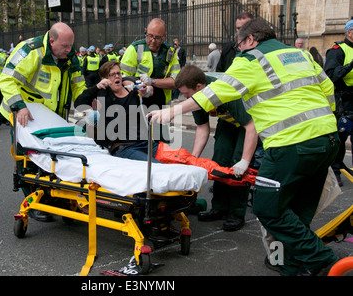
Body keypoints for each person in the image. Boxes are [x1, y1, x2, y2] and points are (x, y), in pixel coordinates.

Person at [148, 18, 340, 276]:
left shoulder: (252, 59)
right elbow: (328, 88)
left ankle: (322, 259)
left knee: (267, 208)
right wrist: (323, 121)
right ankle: (291, 265)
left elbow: (215, 92)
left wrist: (174, 110)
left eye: (239, 45)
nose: (237, 51)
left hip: (290, 144)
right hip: (327, 139)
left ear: (250, 40)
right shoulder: (300, 54)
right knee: (295, 211)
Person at [0, 22, 86, 222]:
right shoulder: (31, 51)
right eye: (64, 46)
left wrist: (88, 102)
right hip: (25, 114)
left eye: (71, 45)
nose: (69, 50)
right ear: (52, 40)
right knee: (28, 159)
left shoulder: (70, 56)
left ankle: (56, 200)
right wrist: (19, 106)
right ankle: (34, 202)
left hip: (52, 116)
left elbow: (78, 84)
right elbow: (7, 79)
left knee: (54, 158)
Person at [175, 65, 260, 231]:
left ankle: (236, 213)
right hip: (228, 122)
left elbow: (251, 127)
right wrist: (193, 158)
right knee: (219, 161)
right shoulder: (198, 96)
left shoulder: (226, 90)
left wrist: (245, 160)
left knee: (237, 166)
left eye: (186, 94)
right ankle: (219, 207)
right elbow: (202, 127)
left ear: (199, 87)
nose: (185, 98)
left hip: (249, 123)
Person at [74, 60, 157, 161]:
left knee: (177, 159)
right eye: (112, 75)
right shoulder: (103, 94)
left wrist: (147, 89)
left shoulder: (131, 89)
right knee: (157, 167)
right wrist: (96, 87)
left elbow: (150, 91)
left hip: (146, 143)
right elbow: (79, 103)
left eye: (118, 73)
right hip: (125, 148)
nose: (117, 76)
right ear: (104, 79)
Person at [120, 18, 181, 107]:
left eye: (157, 37)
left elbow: (177, 82)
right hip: (138, 105)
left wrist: (152, 81)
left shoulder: (170, 52)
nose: (153, 40)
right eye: (150, 36)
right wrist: (139, 88)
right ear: (146, 32)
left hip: (162, 105)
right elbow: (123, 78)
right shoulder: (134, 49)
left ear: (164, 36)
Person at [324, 19, 353, 187]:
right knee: (341, 138)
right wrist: (350, 65)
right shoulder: (337, 50)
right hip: (344, 100)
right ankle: (335, 171)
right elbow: (331, 75)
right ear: (349, 32)